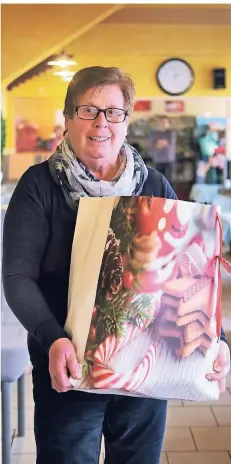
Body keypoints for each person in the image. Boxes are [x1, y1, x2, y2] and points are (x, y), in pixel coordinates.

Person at [2, 66, 230, 464]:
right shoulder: (39, 186)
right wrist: (52, 337)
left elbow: (191, 271)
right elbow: (18, 277)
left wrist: (217, 339)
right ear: (69, 118)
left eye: (113, 111)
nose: (101, 122)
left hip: (147, 362)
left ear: (126, 121)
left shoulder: (153, 185)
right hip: (68, 361)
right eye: (88, 110)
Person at [148, 116, 176, 185]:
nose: (163, 124)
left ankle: (169, 196)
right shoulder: (153, 133)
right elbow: (153, 144)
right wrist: (160, 143)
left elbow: (167, 143)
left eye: (165, 122)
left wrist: (159, 143)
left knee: (169, 181)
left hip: (169, 160)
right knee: (157, 181)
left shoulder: (171, 133)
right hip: (157, 160)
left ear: (169, 124)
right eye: (161, 122)